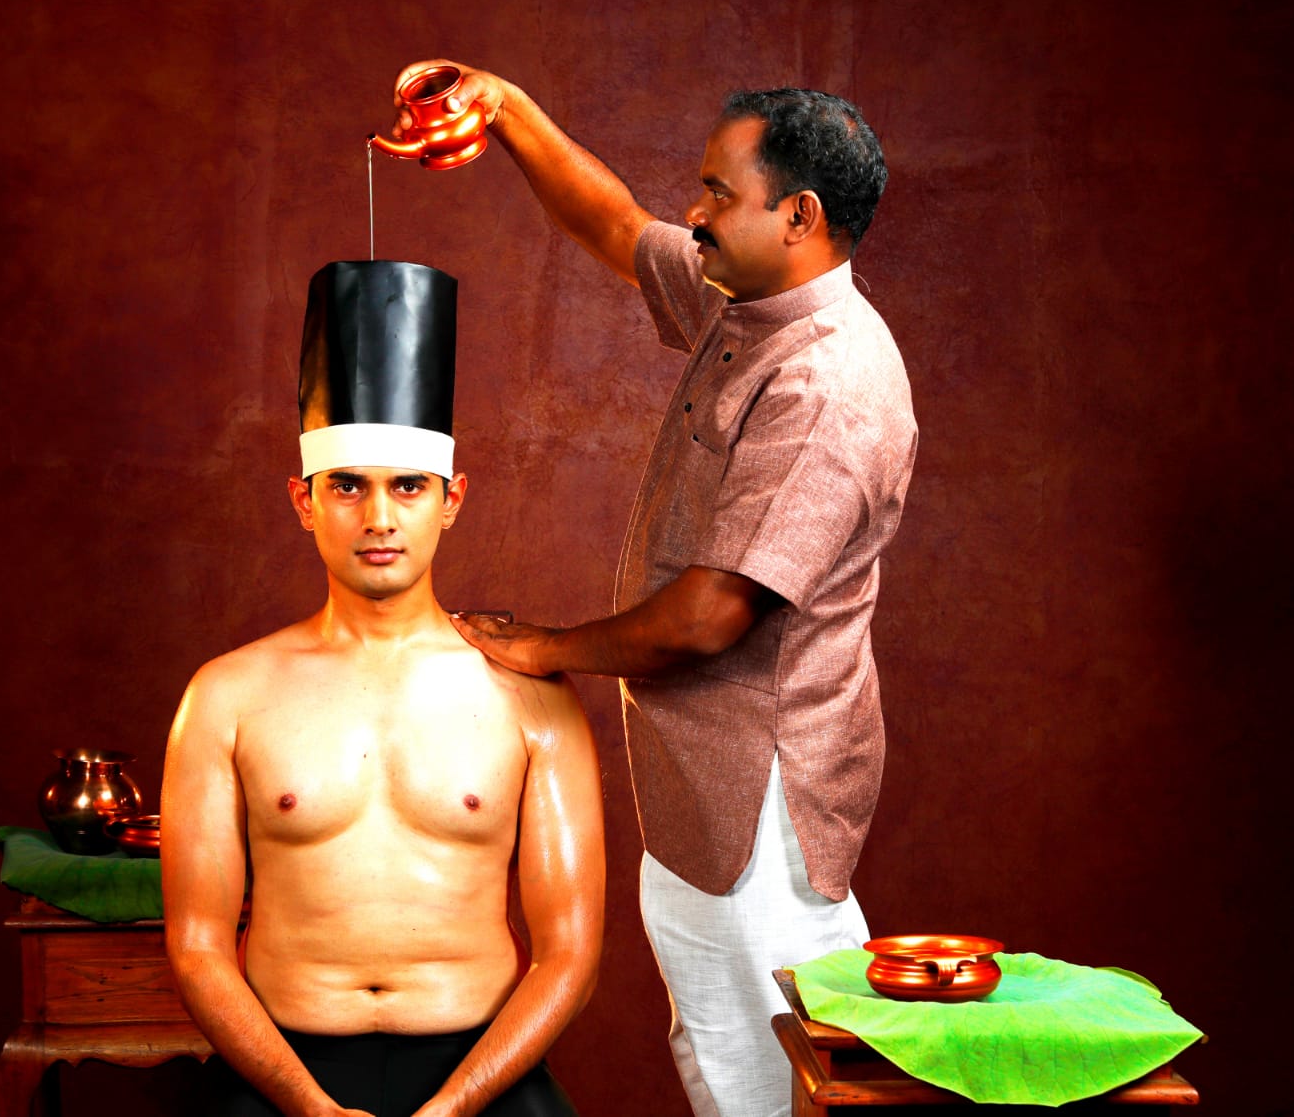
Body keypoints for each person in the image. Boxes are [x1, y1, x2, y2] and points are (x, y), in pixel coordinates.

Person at [392, 63, 917, 1117]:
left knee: (788, 1085)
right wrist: (505, 109)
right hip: (693, 787)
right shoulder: (750, 298)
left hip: (760, 809)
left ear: (798, 214)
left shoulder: (826, 382)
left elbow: (713, 614)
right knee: (720, 1063)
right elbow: (615, 225)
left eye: (719, 193)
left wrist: (543, 647)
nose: (695, 212)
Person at [161, 260, 605, 1117]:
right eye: (347, 487)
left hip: (480, 1073)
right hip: (282, 1073)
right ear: (302, 499)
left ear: (452, 499)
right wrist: (309, 1106)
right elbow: (198, 945)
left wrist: (454, 1106)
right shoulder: (224, 696)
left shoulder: (531, 699)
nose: (378, 519)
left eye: (407, 487)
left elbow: (570, 951)